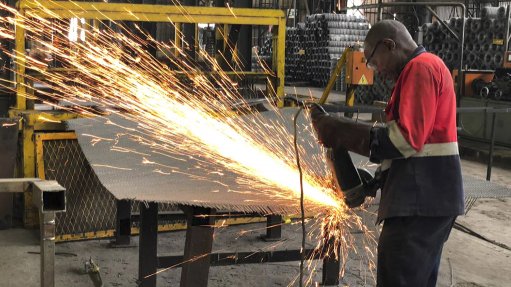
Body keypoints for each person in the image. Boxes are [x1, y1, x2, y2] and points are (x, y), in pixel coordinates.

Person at [310, 20, 464, 287]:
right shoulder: (419, 69)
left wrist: (341, 131)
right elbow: (414, 145)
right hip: (427, 199)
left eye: (373, 61)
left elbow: (405, 140)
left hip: (420, 202)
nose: (376, 71)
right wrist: (378, 179)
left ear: (389, 45)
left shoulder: (421, 68)